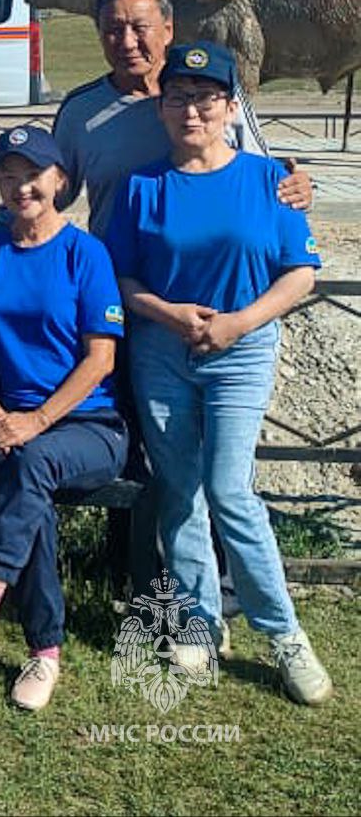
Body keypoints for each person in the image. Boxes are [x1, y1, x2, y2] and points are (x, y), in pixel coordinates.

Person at [105, 40, 332, 707]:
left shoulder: (270, 181)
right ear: (163, 107)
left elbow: (300, 272)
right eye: (178, 97)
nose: (192, 110)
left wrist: (238, 322)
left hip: (241, 350)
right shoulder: (141, 187)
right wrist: (168, 313)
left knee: (231, 490)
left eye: (206, 98)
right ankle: (199, 621)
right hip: (163, 351)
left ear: (230, 107)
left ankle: (284, 633)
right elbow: (122, 275)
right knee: (178, 491)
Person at [0, 126, 126, 710]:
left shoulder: (85, 254)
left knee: (33, 461)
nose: (23, 187)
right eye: (9, 175)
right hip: (5, 423)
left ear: (60, 181)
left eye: (34, 174)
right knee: (30, 484)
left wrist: (37, 420)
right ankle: (45, 652)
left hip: (87, 425)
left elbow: (102, 358)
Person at [51, 0, 310, 243]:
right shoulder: (80, 111)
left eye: (140, 28)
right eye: (114, 30)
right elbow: (54, 192)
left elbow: (259, 176)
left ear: (167, 30)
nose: (127, 43)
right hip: (120, 272)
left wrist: (295, 188)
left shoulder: (218, 97)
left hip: (209, 264)